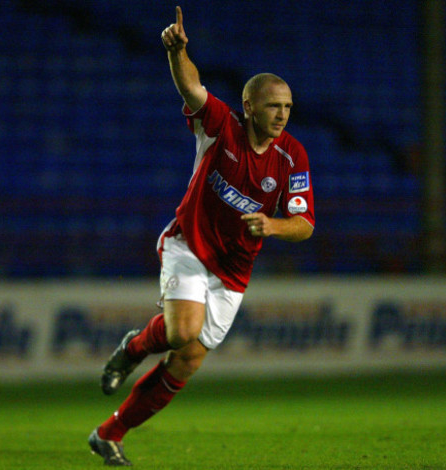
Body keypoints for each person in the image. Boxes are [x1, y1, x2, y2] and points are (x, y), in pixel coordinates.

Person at [88, 6, 315, 466]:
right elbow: (191, 85)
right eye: (274, 105)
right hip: (189, 244)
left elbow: (305, 224)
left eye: (288, 106)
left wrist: (272, 225)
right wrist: (178, 52)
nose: (282, 114)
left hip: (234, 269)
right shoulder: (221, 126)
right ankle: (133, 347)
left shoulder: (292, 157)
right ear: (250, 105)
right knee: (182, 331)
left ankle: (109, 434)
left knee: (186, 361)